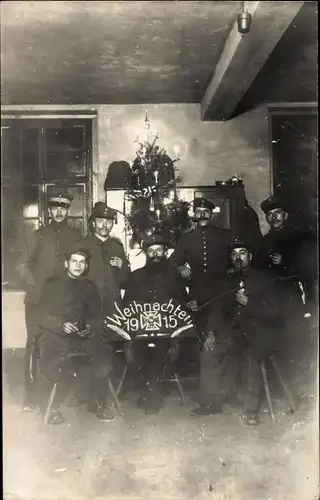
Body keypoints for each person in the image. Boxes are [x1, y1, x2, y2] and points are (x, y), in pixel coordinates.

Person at [190, 238, 283, 425]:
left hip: (258, 334)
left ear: (250, 256)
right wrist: (211, 332)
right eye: (234, 254)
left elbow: (275, 312)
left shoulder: (264, 279)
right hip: (233, 333)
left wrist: (250, 304)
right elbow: (218, 309)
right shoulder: (227, 281)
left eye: (242, 253)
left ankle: (251, 410)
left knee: (250, 357)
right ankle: (211, 403)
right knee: (209, 352)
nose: (238, 257)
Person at [16, 192, 81, 411]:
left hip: (62, 302)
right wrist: (34, 287)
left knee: (62, 344)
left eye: (63, 207)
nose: (59, 212)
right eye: (55, 208)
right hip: (37, 301)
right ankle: (31, 397)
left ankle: (63, 393)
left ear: (68, 209)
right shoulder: (38, 235)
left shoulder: (75, 236)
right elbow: (22, 266)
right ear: (50, 210)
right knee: (33, 345)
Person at [36, 247, 115, 424]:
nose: (78, 265)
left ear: (86, 265)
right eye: (74, 261)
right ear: (66, 263)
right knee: (50, 360)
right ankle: (50, 406)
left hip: (82, 337)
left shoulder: (89, 286)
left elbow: (96, 316)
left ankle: (100, 402)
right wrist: (60, 325)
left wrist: (89, 327)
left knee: (103, 352)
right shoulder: (51, 285)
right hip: (56, 336)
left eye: (82, 262)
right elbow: (41, 315)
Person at [122, 233, 190, 414]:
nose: (155, 254)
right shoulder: (136, 276)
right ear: (146, 254)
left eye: (159, 250)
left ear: (166, 252)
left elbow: (183, 304)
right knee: (139, 351)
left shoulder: (175, 277)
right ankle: (149, 389)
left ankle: (151, 394)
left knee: (159, 351)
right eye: (151, 251)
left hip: (166, 330)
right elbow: (126, 304)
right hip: (141, 330)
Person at [169, 197, 232, 335]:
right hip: (198, 295)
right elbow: (171, 263)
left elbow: (236, 259)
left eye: (206, 212)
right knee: (199, 333)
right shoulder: (187, 239)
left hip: (222, 293)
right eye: (199, 212)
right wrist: (180, 267)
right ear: (194, 215)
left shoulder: (225, 235)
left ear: (211, 214)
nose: (202, 215)